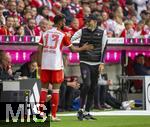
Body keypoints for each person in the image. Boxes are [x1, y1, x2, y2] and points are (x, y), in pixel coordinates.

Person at [37, 14, 93, 121]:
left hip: (45, 64)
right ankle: (53, 115)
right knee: (55, 91)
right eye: (63, 22)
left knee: (43, 89)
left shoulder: (45, 33)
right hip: (56, 65)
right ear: (60, 22)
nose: (64, 23)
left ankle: (41, 113)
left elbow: (39, 49)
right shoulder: (62, 35)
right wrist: (84, 48)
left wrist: (40, 64)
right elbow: (72, 50)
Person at [71, 13, 107, 120]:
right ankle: (80, 110)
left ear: (95, 22)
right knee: (86, 84)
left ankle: (87, 112)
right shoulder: (81, 31)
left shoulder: (102, 32)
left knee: (93, 88)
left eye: (89, 20)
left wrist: (102, 63)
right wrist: (81, 49)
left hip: (96, 63)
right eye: (86, 20)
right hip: (85, 61)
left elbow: (104, 48)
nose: (87, 22)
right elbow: (69, 40)